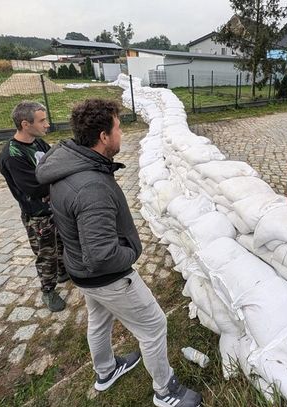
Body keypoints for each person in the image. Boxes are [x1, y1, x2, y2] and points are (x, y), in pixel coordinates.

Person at [35, 99, 202, 407]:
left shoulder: (70, 161)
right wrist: (131, 253)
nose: (121, 134)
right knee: (153, 326)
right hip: (107, 277)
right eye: (119, 128)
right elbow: (101, 254)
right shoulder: (90, 187)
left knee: (98, 321)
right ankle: (166, 391)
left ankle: (106, 371)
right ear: (103, 136)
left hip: (81, 270)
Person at [0, 101, 68, 312]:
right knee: (46, 253)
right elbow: (35, 188)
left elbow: (54, 162)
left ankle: (64, 272)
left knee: (62, 244)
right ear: (25, 124)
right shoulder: (13, 155)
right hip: (38, 216)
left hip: (54, 208)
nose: (47, 124)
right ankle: (48, 291)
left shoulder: (38, 144)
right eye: (42, 120)